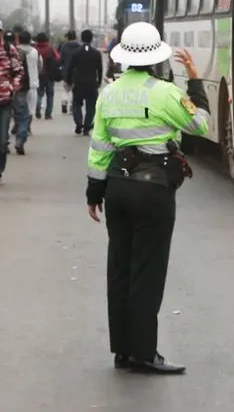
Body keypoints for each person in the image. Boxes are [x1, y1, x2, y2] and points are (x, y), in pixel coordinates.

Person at [85, 22, 210, 374]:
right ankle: (143, 353)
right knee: (147, 271)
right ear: (156, 59)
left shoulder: (109, 94)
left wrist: (94, 193)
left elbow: (99, 148)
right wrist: (196, 81)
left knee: (120, 269)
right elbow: (200, 124)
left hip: (117, 189)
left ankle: (122, 351)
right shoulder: (166, 93)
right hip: (153, 191)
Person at [66, 29, 104, 135]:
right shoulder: (96, 53)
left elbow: (70, 68)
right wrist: (99, 81)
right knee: (91, 106)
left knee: (76, 104)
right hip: (92, 83)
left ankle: (79, 123)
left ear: (81, 38)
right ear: (92, 39)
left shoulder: (76, 53)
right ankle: (87, 127)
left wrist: (69, 81)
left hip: (78, 83)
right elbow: (100, 69)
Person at [0, 19, 25, 179]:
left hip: (5, 102)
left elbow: (19, 71)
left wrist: (12, 86)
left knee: (2, 142)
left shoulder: (10, 51)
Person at [34, 32, 59, 120]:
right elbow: (57, 58)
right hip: (49, 75)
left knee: (39, 94)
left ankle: (37, 109)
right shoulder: (50, 48)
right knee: (50, 95)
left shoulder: (35, 49)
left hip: (39, 75)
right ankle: (48, 114)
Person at [58, 30, 82, 114]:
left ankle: (64, 102)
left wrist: (61, 68)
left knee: (65, 89)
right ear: (75, 37)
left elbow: (61, 59)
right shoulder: (79, 47)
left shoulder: (64, 46)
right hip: (76, 72)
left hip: (66, 70)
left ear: (67, 37)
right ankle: (72, 106)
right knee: (73, 90)